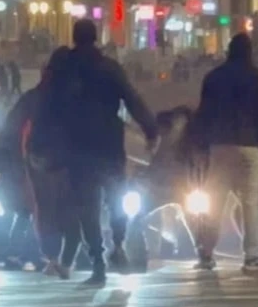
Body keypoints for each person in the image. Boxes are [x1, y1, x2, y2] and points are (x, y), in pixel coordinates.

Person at [31, 20, 158, 286]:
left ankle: (98, 263)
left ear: (74, 38)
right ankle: (119, 242)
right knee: (117, 200)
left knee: (86, 207)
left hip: (76, 147)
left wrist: (38, 143)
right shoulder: (110, 68)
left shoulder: (64, 70)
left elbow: (45, 108)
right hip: (110, 145)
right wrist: (150, 129)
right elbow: (132, 98)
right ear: (97, 37)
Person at [188, 33, 258, 273]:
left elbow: (203, 114)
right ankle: (252, 255)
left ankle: (206, 253)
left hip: (220, 146)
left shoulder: (213, 78)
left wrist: (201, 146)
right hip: (250, 145)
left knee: (215, 201)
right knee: (250, 202)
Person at [12, 47, 80, 279]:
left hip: (40, 157)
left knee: (46, 209)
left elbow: (15, 122)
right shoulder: (77, 93)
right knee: (70, 208)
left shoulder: (38, 94)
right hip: (70, 157)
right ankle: (66, 259)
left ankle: (52, 257)